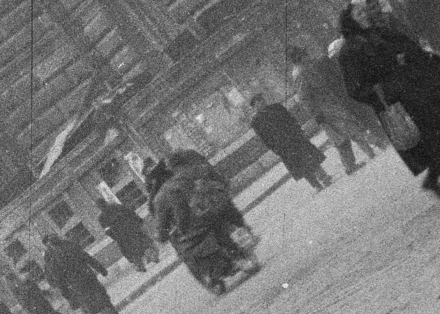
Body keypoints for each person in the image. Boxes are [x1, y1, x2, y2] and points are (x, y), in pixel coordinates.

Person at [337, 1, 440, 199]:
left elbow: (408, 46)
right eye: (358, 14)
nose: (364, 15)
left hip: (419, 85)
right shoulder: (348, 52)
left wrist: (408, 58)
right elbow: (355, 89)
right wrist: (385, 91)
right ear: (349, 21)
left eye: (363, 12)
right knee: (435, 138)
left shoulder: (379, 32)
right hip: (400, 101)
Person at [150, 154, 260, 295]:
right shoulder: (191, 174)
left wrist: (160, 235)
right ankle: (239, 256)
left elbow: (163, 224)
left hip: (196, 228)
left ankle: (212, 275)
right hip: (218, 213)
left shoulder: (161, 196)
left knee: (186, 251)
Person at [287, 44, 382, 175]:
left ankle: (353, 164)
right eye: (304, 54)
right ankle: (367, 154)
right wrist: (316, 114)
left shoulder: (306, 68)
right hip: (324, 110)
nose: (308, 56)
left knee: (344, 134)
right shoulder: (300, 73)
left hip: (330, 105)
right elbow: (304, 98)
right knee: (346, 132)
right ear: (299, 58)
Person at [246, 94, 332, 190]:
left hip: (295, 138)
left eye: (262, 99)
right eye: (258, 101)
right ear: (254, 106)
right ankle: (315, 185)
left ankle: (324, 177)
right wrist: (277, 149)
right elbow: (265, 139)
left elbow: (291, 119)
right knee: (300, 166)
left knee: (311, 158)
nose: (262, 101)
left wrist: (298, 130)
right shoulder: (256, 121)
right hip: (283, 147)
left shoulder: (277, 107)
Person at [40, 233, 121, 314]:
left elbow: (58, 278)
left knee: (93, 300)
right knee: (99, 295)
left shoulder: (52, 257)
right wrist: (100, 268)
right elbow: (86, 257)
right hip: (86, 275)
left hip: (76, 282)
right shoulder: (68, 245)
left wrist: (66, 294)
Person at [96, 191, 157, 271]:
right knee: (142, 244)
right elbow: (130, 212)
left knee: (132, 251)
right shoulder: (116, 206)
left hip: (121, 236)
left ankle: (140, 266)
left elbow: (107, 230)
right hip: (131, 229)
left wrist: (116, 237)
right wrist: (138, 220)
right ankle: (152, 257)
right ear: (105, 201)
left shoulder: (101, 217)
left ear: (99, 207)